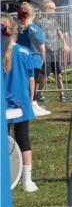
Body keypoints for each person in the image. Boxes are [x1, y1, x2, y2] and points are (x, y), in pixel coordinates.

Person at [3, 13, 39, 191]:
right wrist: (31, 100)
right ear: (15, 30)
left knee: (4, 141)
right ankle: (26, 180)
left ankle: (7, 178)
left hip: (4, 105)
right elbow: (31, 79)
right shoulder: (25, 52)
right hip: (21, 104)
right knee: (23, 140)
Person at [38, 0, 67, 103]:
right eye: (53, 9)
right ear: (46, 10)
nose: (55, 11)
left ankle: (62, 94)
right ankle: (40, 93)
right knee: (44, 74)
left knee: (58, 74)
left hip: (55, 50)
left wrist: (65, 44)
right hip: (46, 51)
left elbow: (59, 33)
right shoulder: (39, 22)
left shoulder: (54, 21)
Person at [15, 2, 45, 101]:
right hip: (35, 60)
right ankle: (32, 103)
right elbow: (42, 47)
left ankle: (26, 102)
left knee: (23, 83)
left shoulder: (18, 29)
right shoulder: (36, 29)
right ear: (33, 15)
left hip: (21, 59)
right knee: (32, 83)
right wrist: (43, 59)